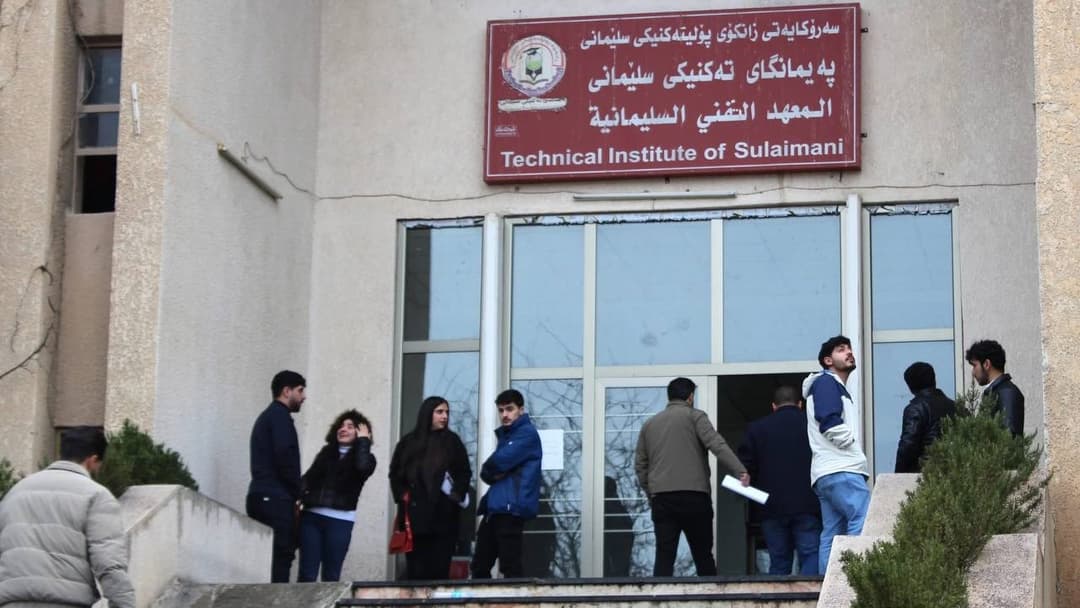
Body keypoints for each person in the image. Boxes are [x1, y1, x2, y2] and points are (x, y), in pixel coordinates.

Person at [0, 426, 135, 608]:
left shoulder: (15, 492)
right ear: (93, 460)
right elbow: (109, 561)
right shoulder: (96, 495)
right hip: (65, 601)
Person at [634, 377, 749, 577]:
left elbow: (640, 465)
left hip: (663, 499)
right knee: (703, 555)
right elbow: (717, 445)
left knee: (664, 556)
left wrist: (651, 492)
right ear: (690, 397)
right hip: (694, 497)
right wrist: (740, 470)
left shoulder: (650, 425)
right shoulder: (695, 417)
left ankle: (659, 594)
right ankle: (711, 594)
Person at [737, 386, 822, 575]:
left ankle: (778, 594)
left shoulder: (756, 428)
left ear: (774, 406)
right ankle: (810, 593)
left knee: (779, 560)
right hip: (807, 503)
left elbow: (745, 468)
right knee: (811, 555)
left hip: (771, 506)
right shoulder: (813, 426)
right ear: (800, 404)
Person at [803, 336, 870, 573]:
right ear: (828, 360)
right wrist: (851, 443)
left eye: (849, 348)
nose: (849, 352)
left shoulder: (828, 385)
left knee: (832, 533)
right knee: (863, 519)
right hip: (842, 469)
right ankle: (852, 581)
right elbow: (829, 423)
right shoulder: (826, 382)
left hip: (826, 472)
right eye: (841, 350)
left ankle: (827, 585)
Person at [389, 396, 472, 580]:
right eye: (439, 412)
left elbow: (464, 472)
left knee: (439, 571)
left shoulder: (452, 441)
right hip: (415, 517)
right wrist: (402, 495)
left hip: (444, 517)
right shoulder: (408, 442)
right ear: (428, 413)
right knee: (416, 571)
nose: (445, 416)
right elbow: (395, 473)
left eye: (447, 412)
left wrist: (456, 494)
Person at [298, 409, 377, 582]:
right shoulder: (326, 453)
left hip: (340, 521)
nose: (343, 429)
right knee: (306, 575)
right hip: (311, 518)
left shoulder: (368, 458)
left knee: (331, 576)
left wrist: (364, 441)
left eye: (350, 426)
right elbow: (308, 479)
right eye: (341, 426)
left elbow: (362, 467)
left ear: (361, 432)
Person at [471, 389, 543, 579]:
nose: (505, 414)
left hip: (511, 509)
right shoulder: (508, 436)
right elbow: (491, 471)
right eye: (501, 410)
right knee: (480, 565)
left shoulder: (526, 434)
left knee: (510, 566)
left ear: (521, 410)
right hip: (496, 508)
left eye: (509, 409)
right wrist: (492, 472)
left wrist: (491, 470)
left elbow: (497, 463)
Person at [247, 369, 306, 583]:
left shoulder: (268, 417)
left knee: (263, 559)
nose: (304, 397)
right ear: (286, 391)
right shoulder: (279, 417)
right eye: (300, 390)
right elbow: (285, 457)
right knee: (281, 557)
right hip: (275, 499)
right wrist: (298, 492)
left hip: (261, 496)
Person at [895, 362, 957, 473]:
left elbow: (908, 445)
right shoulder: (958, 407)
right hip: (956, 473)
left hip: (926, 474)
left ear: (911, 387)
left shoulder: (915, 408)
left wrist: (897, 475)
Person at [965, 339, 1024, 437]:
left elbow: (1008, 438)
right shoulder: (996, 392)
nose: (973, 372)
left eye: (974, 365)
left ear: (986, 364)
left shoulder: (1006, 393)